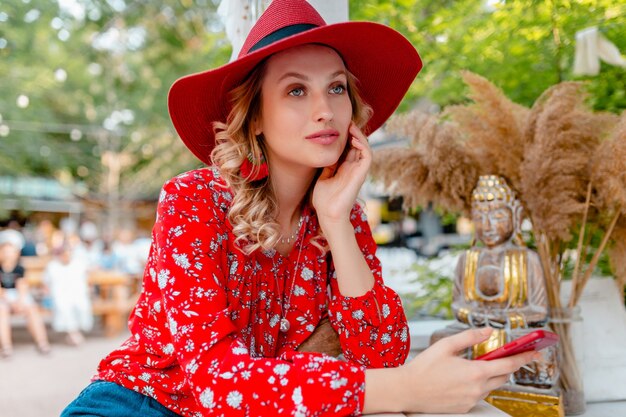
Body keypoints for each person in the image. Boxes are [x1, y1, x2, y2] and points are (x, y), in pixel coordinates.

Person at [61, 1, 538, 416]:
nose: (325, 110)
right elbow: (217, 384)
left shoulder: (339, 215)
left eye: (336, 88)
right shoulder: (192, 201)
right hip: (141, 405)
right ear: (256, 116)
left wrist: (333, 219)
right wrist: (407, 390)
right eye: (295, 90)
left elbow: (382, 352)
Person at [0, 229, 51, 357]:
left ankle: (42, 343)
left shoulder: (19, 268)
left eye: (10, 250)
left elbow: (22, 286)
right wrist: (10, 302)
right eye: (4, 250)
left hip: (17, 295)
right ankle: (6, 346)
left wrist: (20, 301)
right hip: (3, 296)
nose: (7, 253)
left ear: (17, 252)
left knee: (32, 309)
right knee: (2, 312)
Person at [43, 243, 94, 346]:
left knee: (82, 306)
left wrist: (89, 287)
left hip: (78, 293)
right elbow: (46, 282)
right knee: (63, 306)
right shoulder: (52, 266)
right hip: (59, 294)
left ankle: (74, 333)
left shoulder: (79, 263)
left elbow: (88, 276)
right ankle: (74, 333)